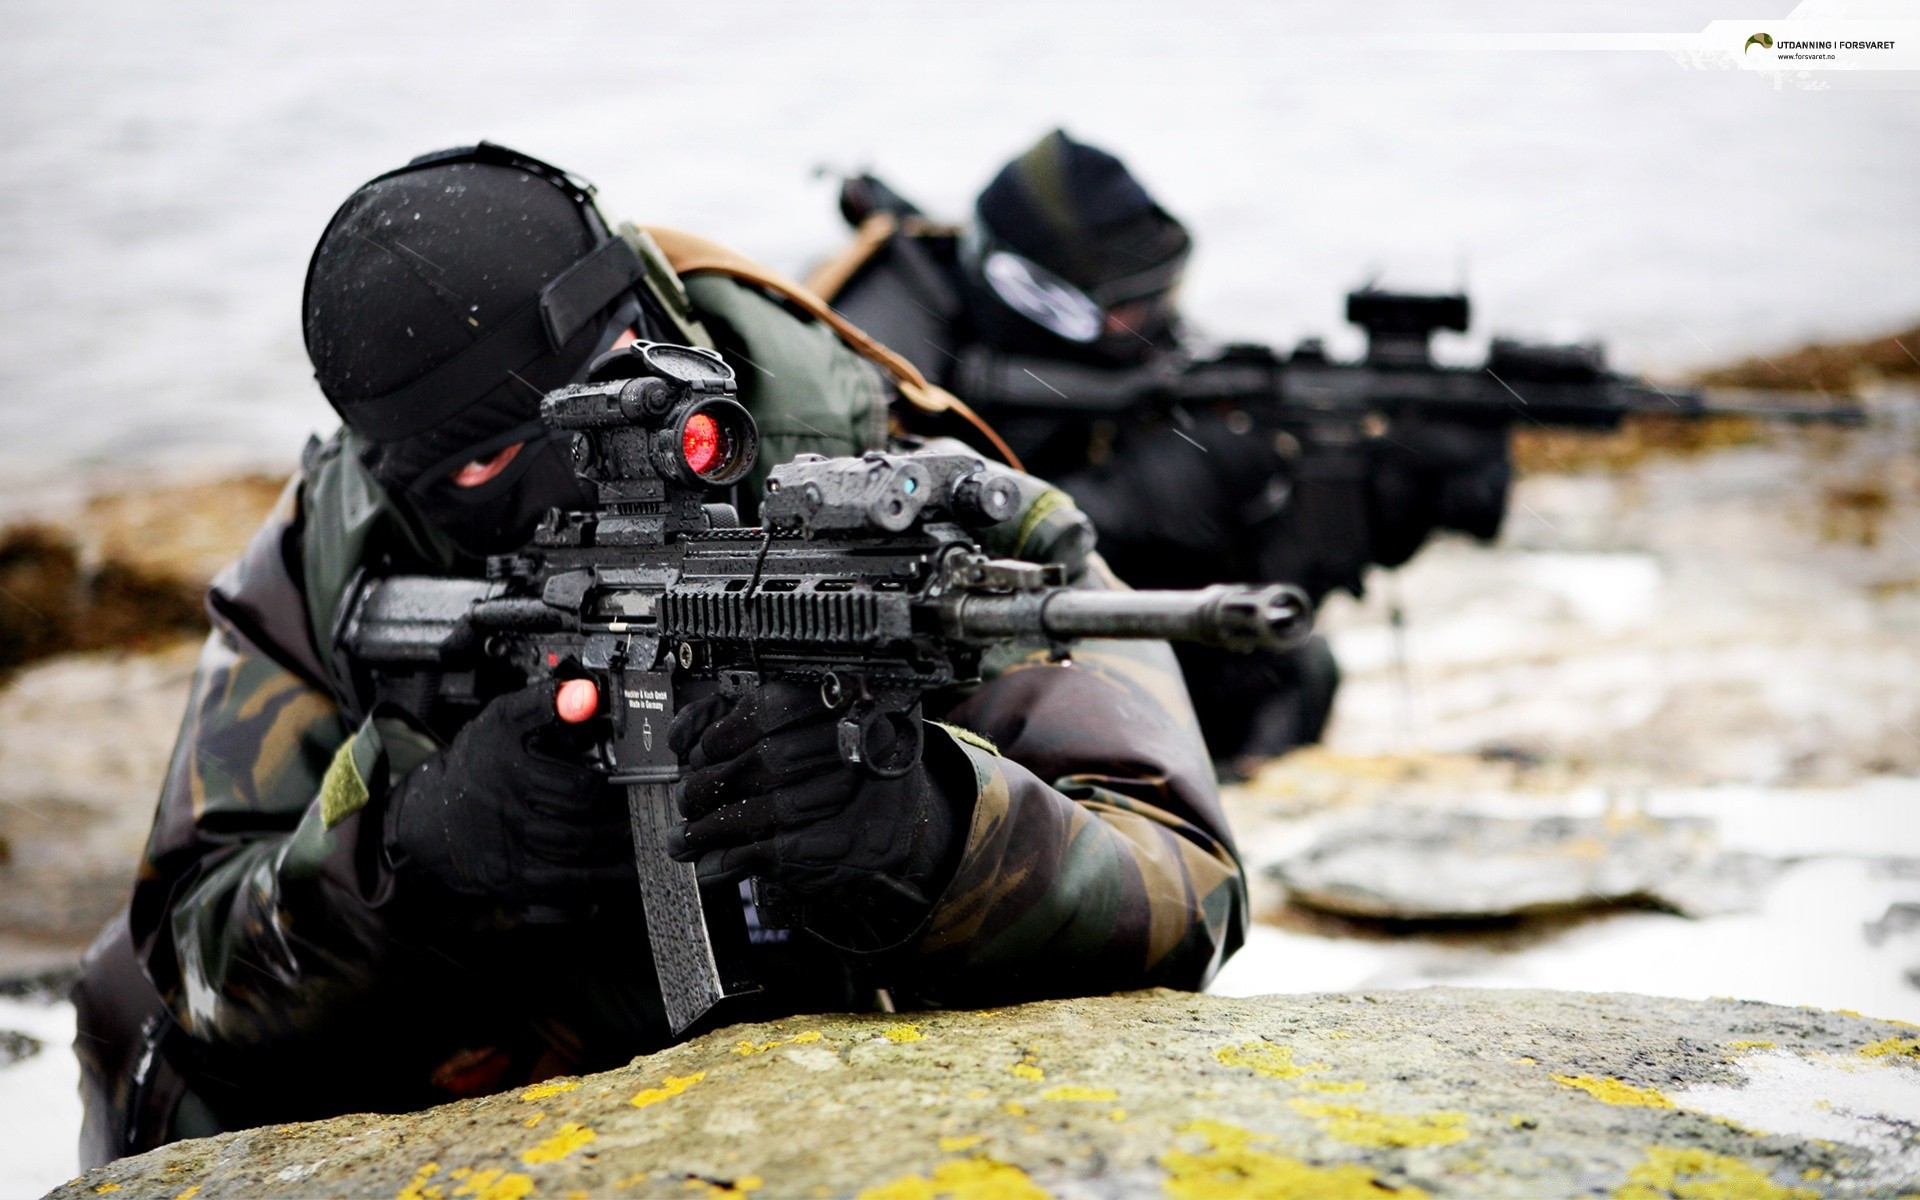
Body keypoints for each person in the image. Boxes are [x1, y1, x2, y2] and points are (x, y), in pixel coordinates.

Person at [71, 143, 1245, 1166]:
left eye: (619, 375)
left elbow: (1187, 882)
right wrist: (420, 856)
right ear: (405, 474)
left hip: (868, 1079)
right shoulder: (335, 554)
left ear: (653, 313)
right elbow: (194, 959)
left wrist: (931, 839)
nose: (586, 462)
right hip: (517, 1087)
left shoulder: (891, 484)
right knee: (121, 1006)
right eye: (494, 465)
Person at [815, 130, 1509, 767]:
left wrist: (1365, 507)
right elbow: (872, 567)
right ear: (1029, 293)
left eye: (1157, 299)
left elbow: (1243, 574)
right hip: (914, 688)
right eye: (1120, 310)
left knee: (1292, 666)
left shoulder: (1132, 353)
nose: (1144, 324)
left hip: (1079, 624)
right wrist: (1133, 502)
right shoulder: (868, 345)